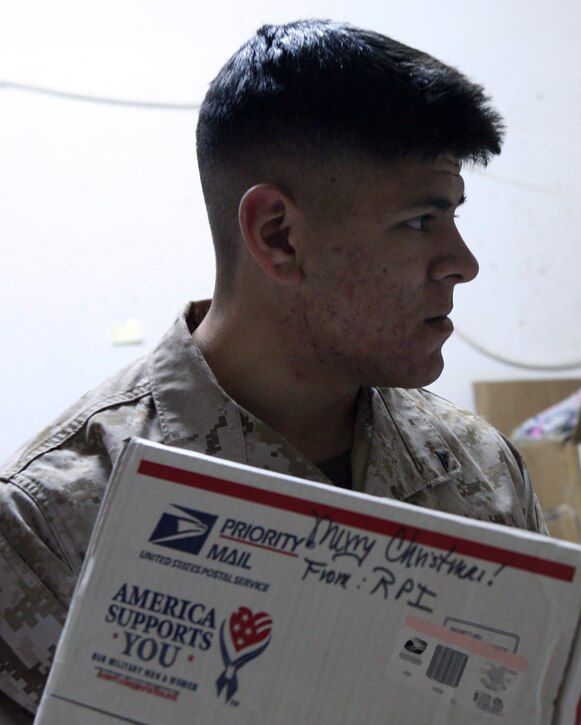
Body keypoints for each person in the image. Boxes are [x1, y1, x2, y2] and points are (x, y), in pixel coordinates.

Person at [0, 19, 546, 720]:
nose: (462, 262)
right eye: (419, 221)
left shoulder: (479, 470)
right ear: (277, 236)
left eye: (454, 217)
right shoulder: (49, 526)